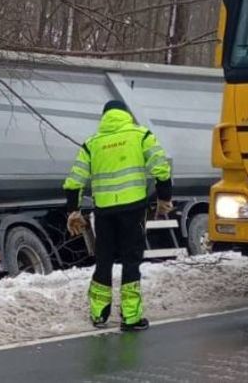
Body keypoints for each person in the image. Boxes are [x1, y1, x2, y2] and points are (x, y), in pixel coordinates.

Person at [63, 100, 172, 332]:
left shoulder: (92, 144)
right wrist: (164, 198)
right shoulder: (141, 135)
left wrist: (73, 210)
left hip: (104, 212)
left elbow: (74, 181)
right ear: (126, 114)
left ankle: (98, 314)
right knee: (131, 261)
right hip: (133, 210)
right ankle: (131, 318)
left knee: (104, 260)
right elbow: (161, 168)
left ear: (104, 117)